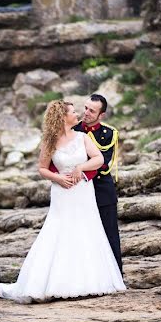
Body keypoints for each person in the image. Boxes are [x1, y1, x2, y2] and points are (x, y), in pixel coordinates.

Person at [0, 100, 126, 303]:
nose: (78, 115)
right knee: (60, 231)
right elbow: (42, 168)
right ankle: (55, 282)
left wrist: (81, 168)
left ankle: (91, 281)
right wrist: (58, 178)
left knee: (87, 230)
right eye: (74, 112)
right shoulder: (50, 141)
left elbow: (99, 159)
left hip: (83, 191)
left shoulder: (82, 137)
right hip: (62, 193)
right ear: (63, 117)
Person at [49, 94, 123, 274]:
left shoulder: (109, 133)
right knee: (79, 233)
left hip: (100, 189)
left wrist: (78, 173)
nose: (86, 113)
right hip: (75, 191)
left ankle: (115, 275)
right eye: (86, 108)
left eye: (92, 111)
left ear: (101, 115)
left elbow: (104, 164)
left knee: (109, 233)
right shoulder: (72, 128)